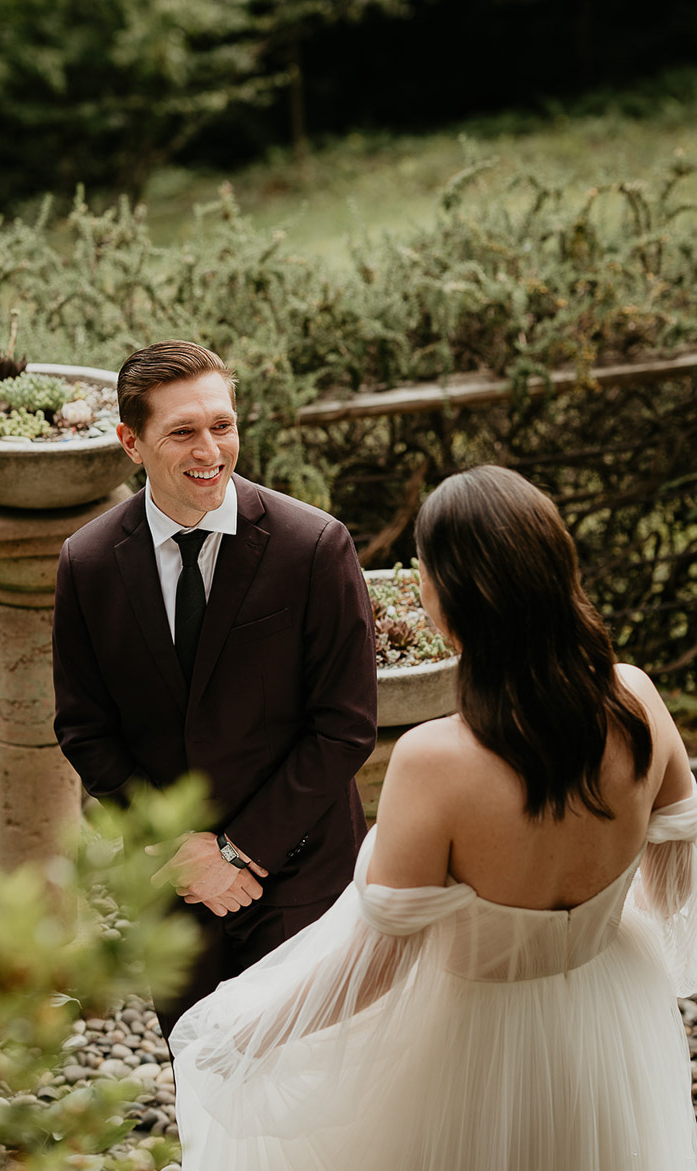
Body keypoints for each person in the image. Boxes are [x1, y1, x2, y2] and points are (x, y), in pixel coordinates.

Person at [171, 464, 697, 1171]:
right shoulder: (634, 699)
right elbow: (674, 869)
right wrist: (592, 920)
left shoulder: (432, 760)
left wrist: (251, 1035)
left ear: (452, 597)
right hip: (612, 1001)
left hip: (478, 1038)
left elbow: (378, 962)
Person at [52, 339, 377, 1038]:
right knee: (202, 1076)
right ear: (129, 442)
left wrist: (235, 853)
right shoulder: (86, 563)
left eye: (222, 425)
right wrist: (180, 852)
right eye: (183, 431)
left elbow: (344, 724)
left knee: (310, 1081)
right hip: (172, 889)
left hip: (300, 875)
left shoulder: (314, 547)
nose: (210, 449)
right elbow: (84, 727)